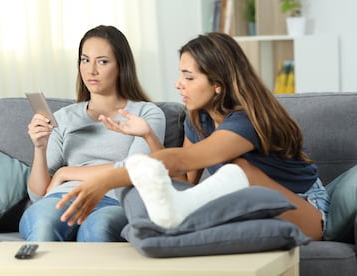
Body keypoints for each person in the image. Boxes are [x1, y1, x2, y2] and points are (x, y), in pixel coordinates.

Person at [56, 32, 330, 241]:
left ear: (218, 84)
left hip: (307, 208)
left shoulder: (244, 122)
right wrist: (149, 136)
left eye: (188, 77)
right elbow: (184, 179)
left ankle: (183, 216)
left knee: (240, 170)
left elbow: (183, 159)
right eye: (180, 75)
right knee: (223, 185)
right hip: (258, 203)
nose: (178, 84)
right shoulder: (198, 118)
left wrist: (105, 179)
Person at [18, 25, 166, 242]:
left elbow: (135, 168)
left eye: (103, 61)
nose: (91, 70)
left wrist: (66, 172)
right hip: (62, 198)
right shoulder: (64, 117)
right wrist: (39, 148)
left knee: (98, 228)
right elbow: (39, 194)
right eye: (85, 60)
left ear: (121, 66)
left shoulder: (145, 113)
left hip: (115, 199)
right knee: (42, 224)